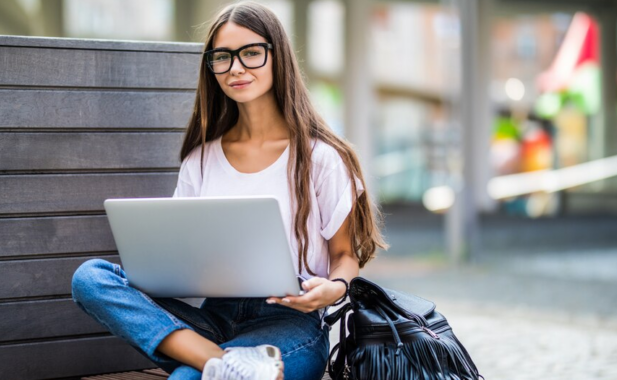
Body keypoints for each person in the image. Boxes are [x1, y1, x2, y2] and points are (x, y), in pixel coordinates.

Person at [71, 2, 387, 380]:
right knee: (90, 278)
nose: (236, 68)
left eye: (251, 53)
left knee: (187, 379)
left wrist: (333, 289)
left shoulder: (321, 157)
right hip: (212, 316)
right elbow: (180, 252)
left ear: (278, 57)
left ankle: (213, 364)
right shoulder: (200, 160)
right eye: (222, 57)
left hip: (291, 322)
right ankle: (220, 361)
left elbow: (345, 256)